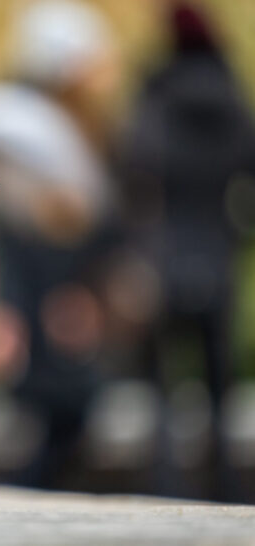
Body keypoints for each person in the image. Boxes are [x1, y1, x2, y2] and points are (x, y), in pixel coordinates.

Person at [0, 0, 125, 488]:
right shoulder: (32, 131)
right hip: (47, 307)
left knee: (65, 423)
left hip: (63, 305)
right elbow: (16, 233)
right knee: (55, 420)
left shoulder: (62, 129)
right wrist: (4, 306)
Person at [118, 1, 255, 500]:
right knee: (220, 386)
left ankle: (164, 486)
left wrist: (135, 251)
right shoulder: (234, 99)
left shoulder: (155, 98)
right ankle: (226, 487)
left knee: (162, 390)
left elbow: (133, 177)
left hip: (163, 258)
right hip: (218, 258)